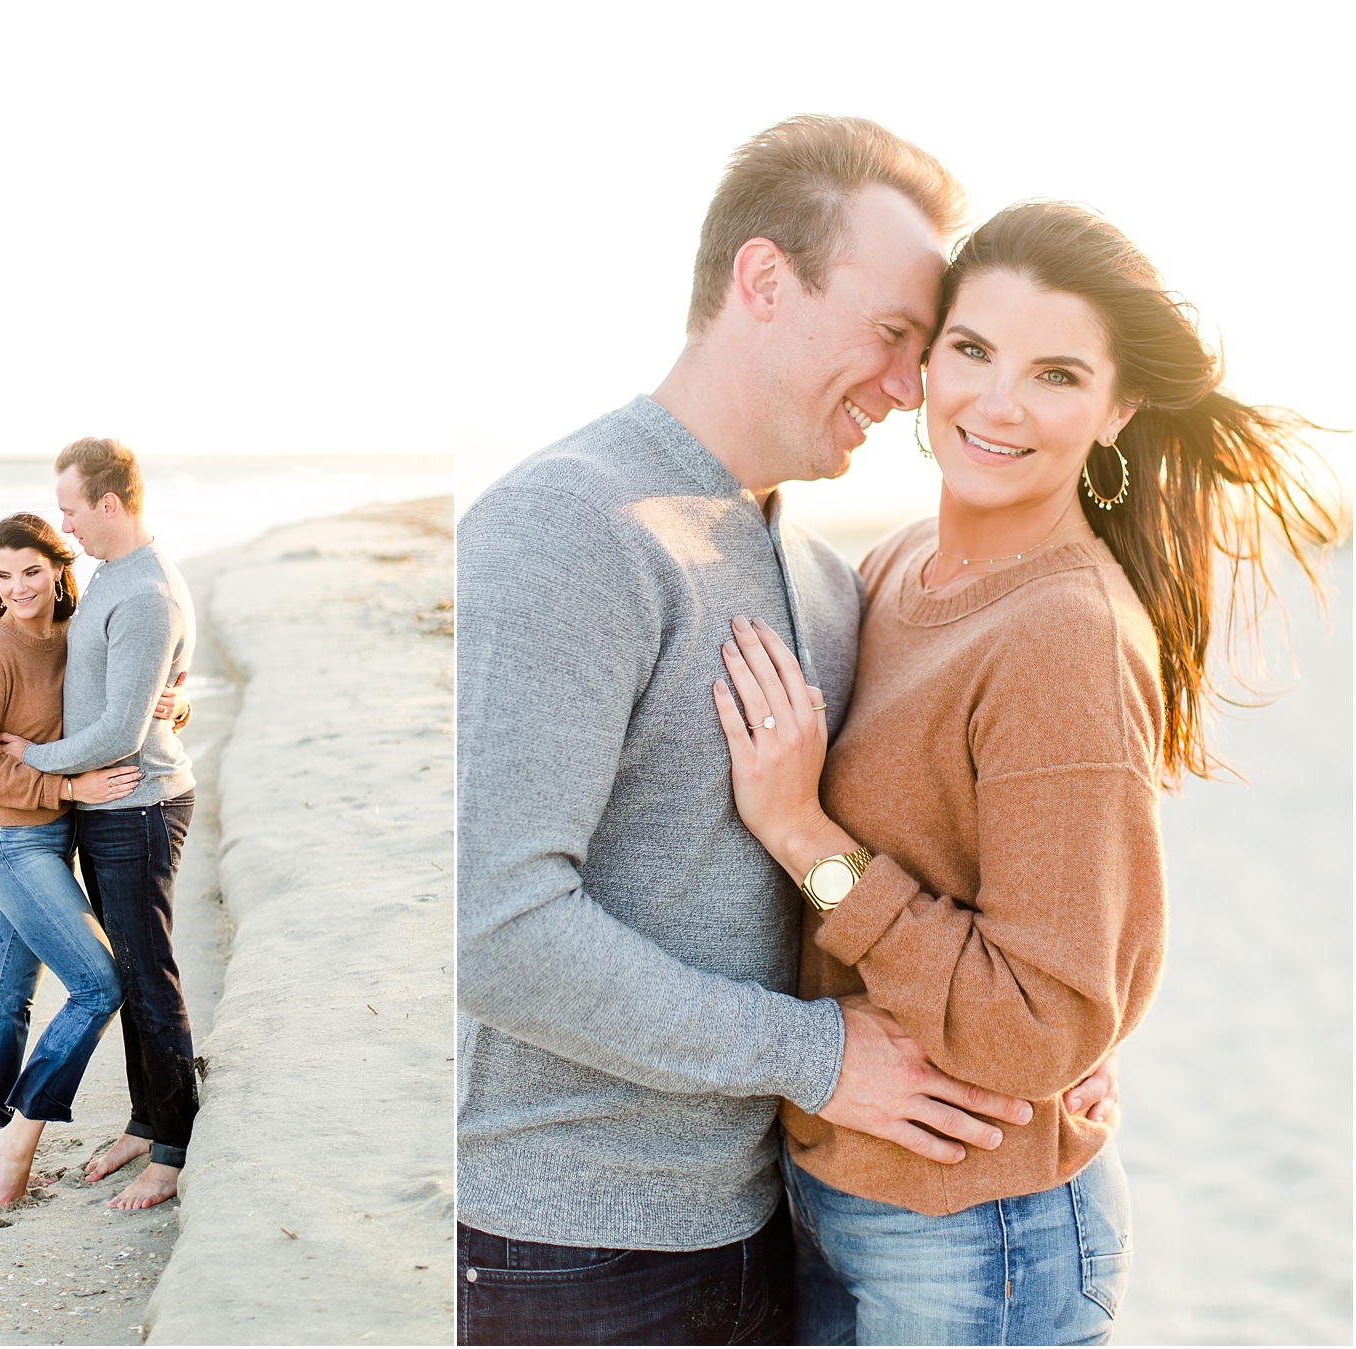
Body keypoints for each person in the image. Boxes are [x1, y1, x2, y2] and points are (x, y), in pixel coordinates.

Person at [456, 117, 1117, 1345]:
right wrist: (818, 1054)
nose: (912, 385)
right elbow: (491, 926)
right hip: (571, 1249)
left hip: (771, 1219)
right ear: (763, 280)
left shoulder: (822, 577)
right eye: (894, 334)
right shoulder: (566, 528)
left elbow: (891, 851)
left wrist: (1038, 1039)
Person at [712, 201, 1345, 1344]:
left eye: (1056, 373)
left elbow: (1042, 1017)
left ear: (1118, 408)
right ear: (926, 360)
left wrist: (805, 836)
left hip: (973, 1238)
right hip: (844, 1190)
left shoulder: (1062, 632)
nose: (997, 403)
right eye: (973, 349)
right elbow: (1067, 939)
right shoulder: (902, 562)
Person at [0, 436, 200, 1212]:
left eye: (72, 509)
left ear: (109, 504)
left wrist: (37, 757)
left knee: (150, 977)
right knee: (132, 975)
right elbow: (157, 690)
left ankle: (174, 1148)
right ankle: (147, 1119)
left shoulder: (146, 591)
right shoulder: (117, 575)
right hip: (109, 804)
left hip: (137, 806)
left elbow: (121, 730)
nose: (66, 525)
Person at [0, 511, 141, 1207]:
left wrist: (170, 707)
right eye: (3, 576)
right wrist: (68, 786)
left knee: (8, 999)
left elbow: (120, 703)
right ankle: (18, 1128)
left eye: (31, 571)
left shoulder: (73, 635)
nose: (17, 587)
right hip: (7, 840)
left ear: (60, 568)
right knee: (99, 983)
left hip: (53, 839)